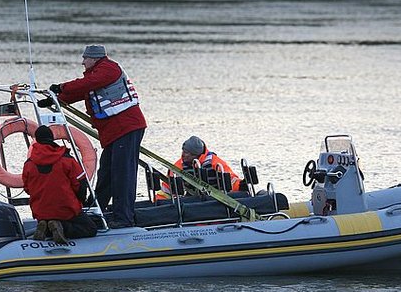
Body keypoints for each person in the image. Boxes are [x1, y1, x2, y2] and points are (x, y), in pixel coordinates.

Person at [48, 44, 147, 228]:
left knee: (122, 174)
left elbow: (86, 85)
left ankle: (123, 218)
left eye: (85, 58)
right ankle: (97, 211)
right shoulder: (95, 76)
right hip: (114, 132)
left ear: (94, 58)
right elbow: (82, 91)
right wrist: (55, 99)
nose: (82, 62)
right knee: (106, 173)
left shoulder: (109, 69)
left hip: (127, 128)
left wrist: (61, 87)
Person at [22, 125, 98, 242]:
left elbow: (27, 189)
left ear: (36, 140)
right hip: (66, 208)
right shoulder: (67, 160)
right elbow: (80, 184)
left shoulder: (28, 164)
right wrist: (80, 202)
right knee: (90, 228)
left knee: (49, 216)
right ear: (52, 138)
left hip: (41, 210)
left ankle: (46, 226)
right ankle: (62, 227)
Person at [156, 135, 243, 200]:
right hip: (190, 200)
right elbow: (166, 189)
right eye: (183, 150)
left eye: (187, 152)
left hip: (216, 199)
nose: (183, 154)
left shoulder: (215, 163)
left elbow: (231, 179)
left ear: (196, 155)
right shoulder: (178, 167)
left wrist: (241, 186)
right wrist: (158, 202)